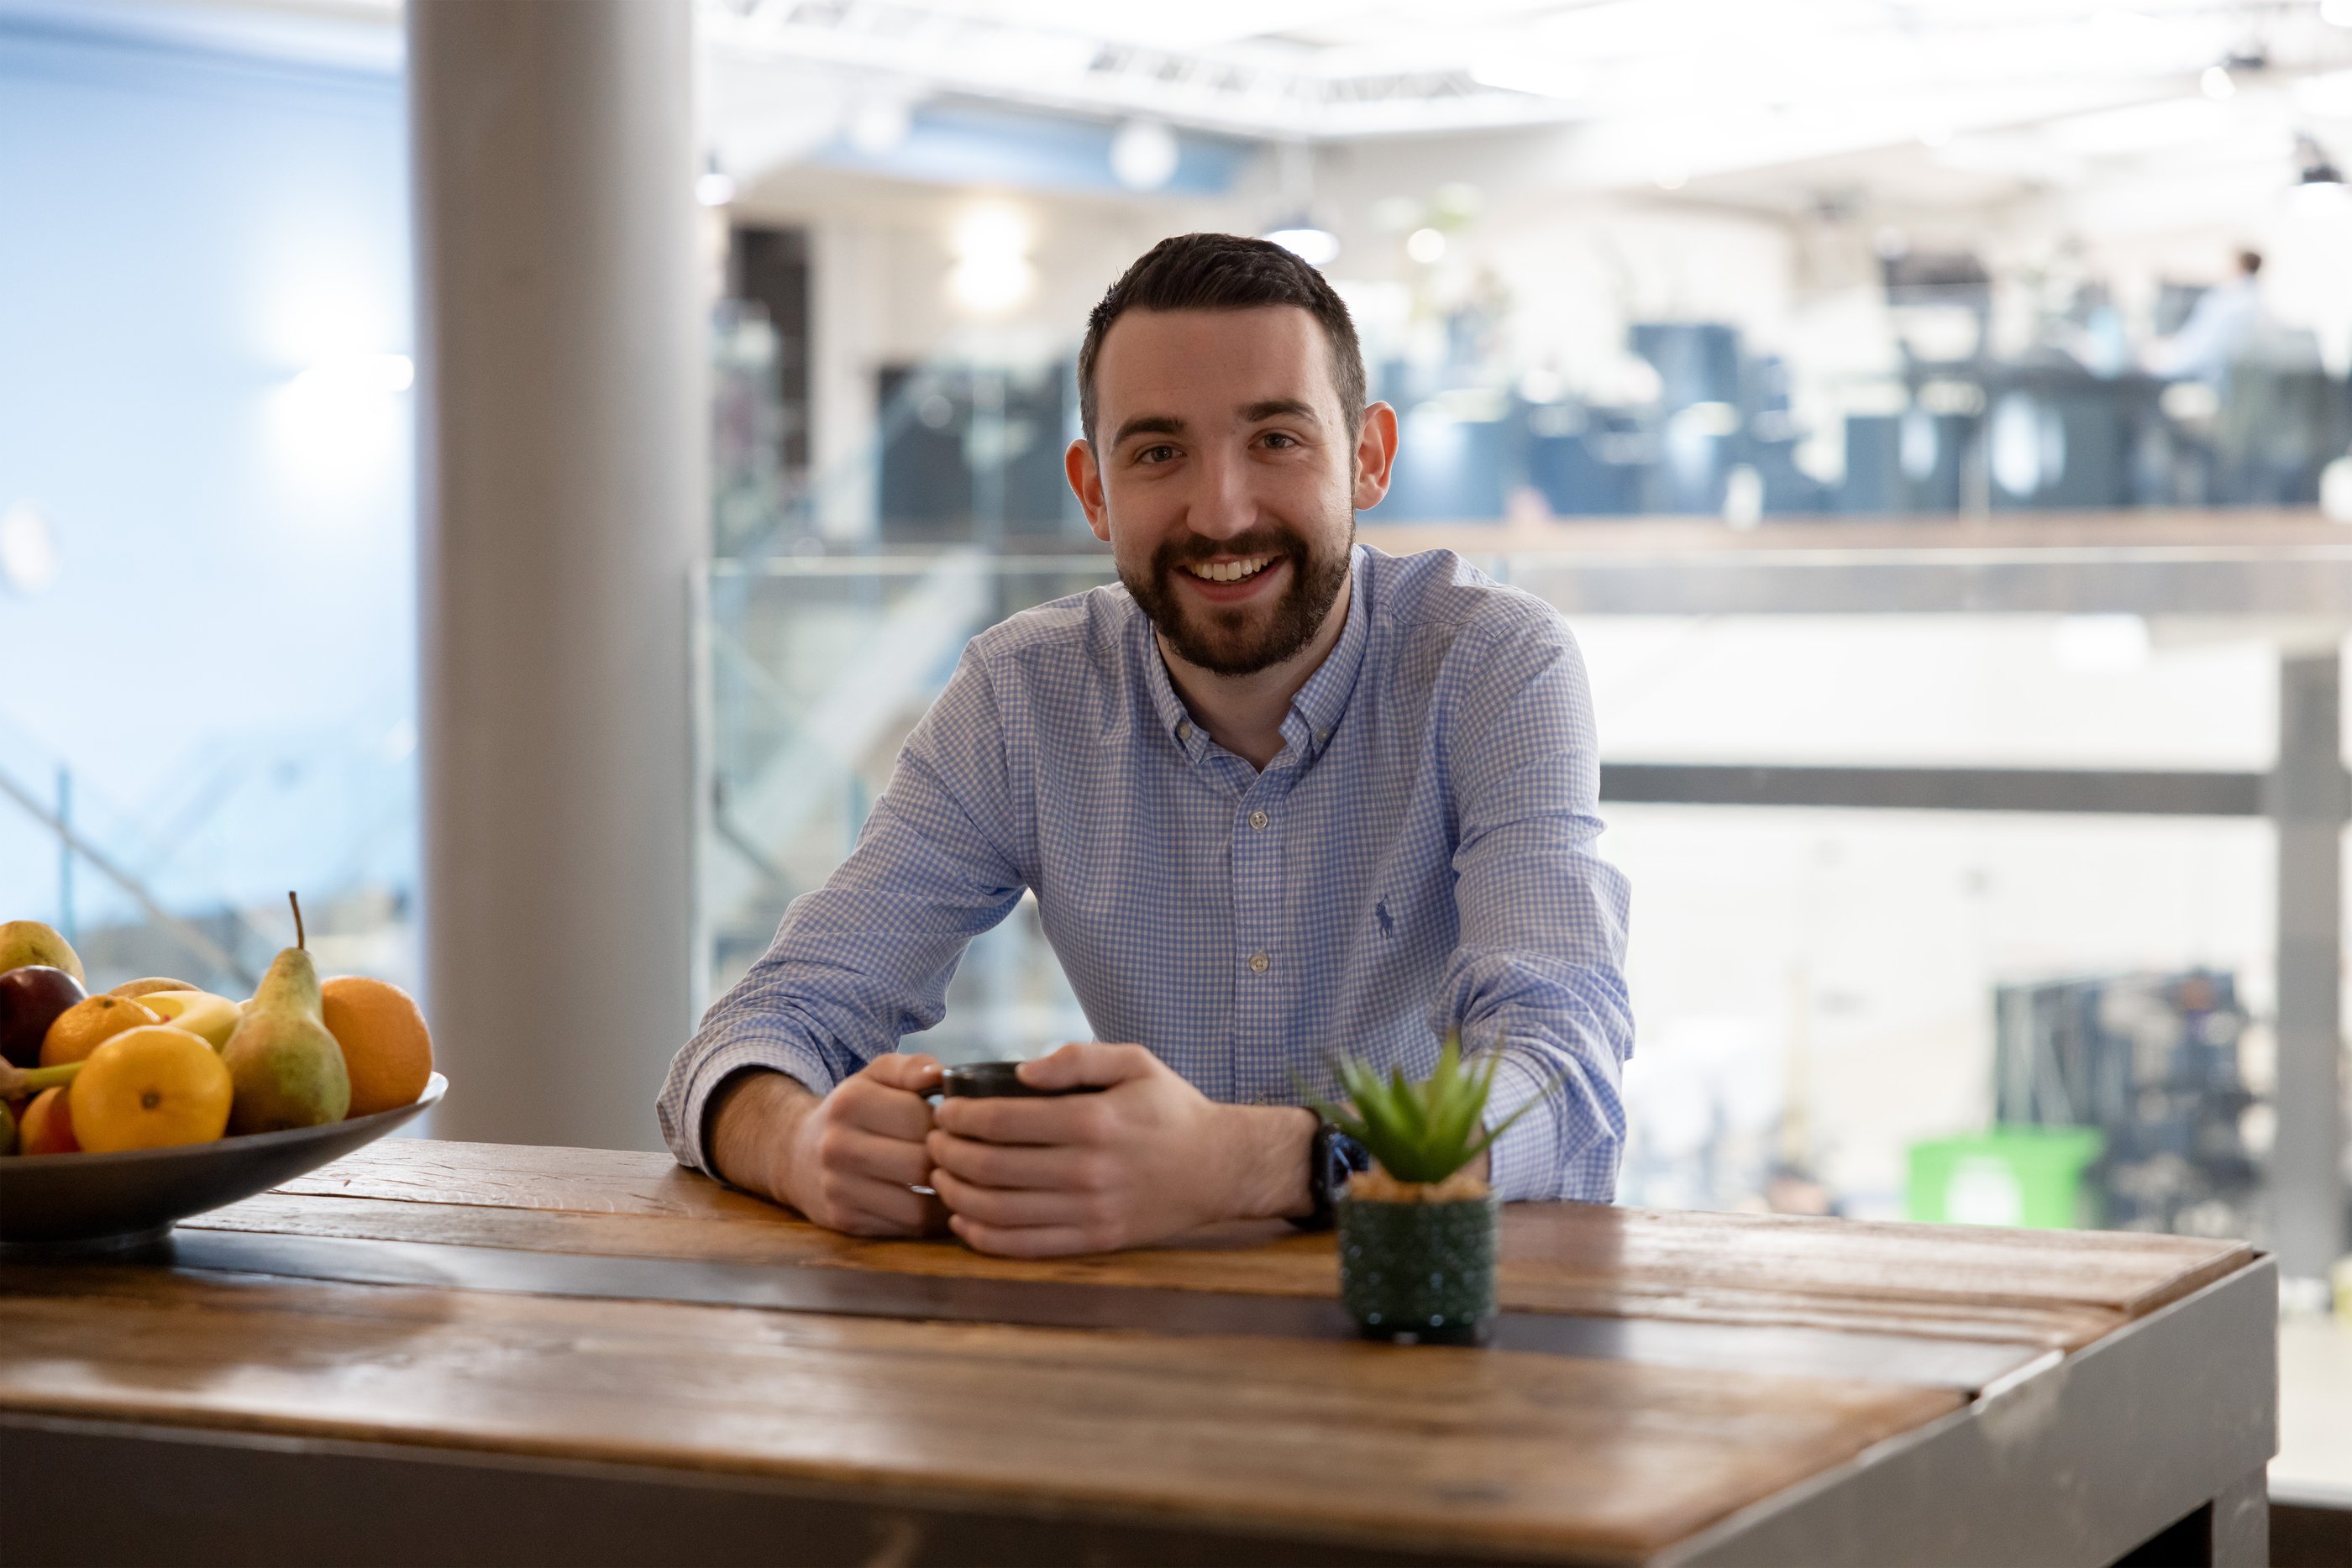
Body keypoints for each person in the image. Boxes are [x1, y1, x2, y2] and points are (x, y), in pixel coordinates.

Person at [656, 233, 1633, 1257]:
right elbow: (757, 1031)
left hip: (1439, 1311)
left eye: (1276, 440)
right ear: (1092, 491)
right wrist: (808, 1146)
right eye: (1159, 452)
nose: (1221, 511)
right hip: (1139, 1331)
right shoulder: (1021, 697)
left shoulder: (1491, 664)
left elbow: (1562, 1080)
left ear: (1368, 456)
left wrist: (1248, 1165)